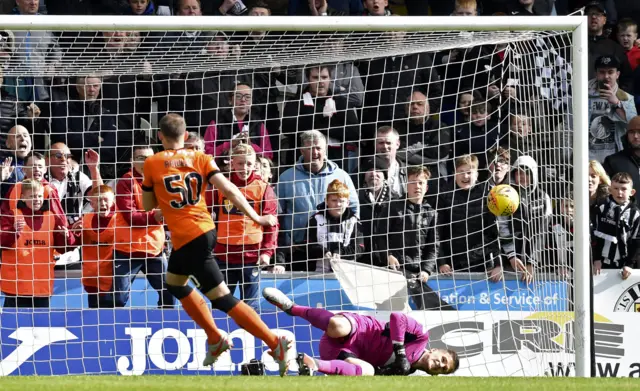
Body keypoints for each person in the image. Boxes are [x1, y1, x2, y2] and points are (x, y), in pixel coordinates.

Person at [140, 113, 290, 374]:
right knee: (175, 284)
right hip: (206, 230)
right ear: (186, 136)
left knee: (222, 298)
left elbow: (148, 206)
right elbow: (230, 190)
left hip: (189, 237)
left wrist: (166, 202)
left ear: (159, 136)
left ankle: (272, 342)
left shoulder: (152, 162)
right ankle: (215, 337)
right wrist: (256, 216)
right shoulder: (201, 158)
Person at [262, 287, 459, 376]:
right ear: (435, 350)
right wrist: (400, 352)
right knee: (338, 326)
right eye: (443, 359)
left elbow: (377, 376)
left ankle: (312, 364)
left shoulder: (404, 373)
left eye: (443, 369)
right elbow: (397, 318)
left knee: (368, 372)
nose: (439, 365)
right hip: (358, 329)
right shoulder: (420, 337)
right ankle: (292, 308)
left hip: (343, 354)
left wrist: (387, 373)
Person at [209, 144, 280, 309]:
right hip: (223, 255)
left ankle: (250, 334)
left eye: (249, 164)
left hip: (251, 257)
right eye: (240, 163)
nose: (244, 168)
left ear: (255, 165)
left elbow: (272, 223)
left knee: (250, 307)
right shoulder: (221, 185)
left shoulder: (263, 188)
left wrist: (267, 252)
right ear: (232, 163)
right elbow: (205, 212)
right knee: (220, 304)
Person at [0, 179, 74, 308]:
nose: (37, 199)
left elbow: (63, 248)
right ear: (23, 197)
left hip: (41, 285)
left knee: (41, 326)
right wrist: (13, 231)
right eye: (32, 196)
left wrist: (66, 237)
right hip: (16, 286)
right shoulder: (11, 215)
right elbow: (2, 243)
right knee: (14, 325)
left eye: (39, 196)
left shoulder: (51, 217)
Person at [304, 179, 364, 272]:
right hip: (318, 273)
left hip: (346, 273)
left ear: (347, 203)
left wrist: (340, 252)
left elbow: (360, 248)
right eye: (334, 200)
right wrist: (322, 251)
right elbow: (307, 245)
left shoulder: (354, 221)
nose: (338, 204)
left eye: (342, 201)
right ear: (326, 201)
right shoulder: (315, 219)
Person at [591, 172, 640, 280]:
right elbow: (594, 236)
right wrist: (596, 259)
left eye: (624, 189)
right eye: (616, 188)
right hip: (601, 263)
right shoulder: (601, 208)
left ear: (632, 192)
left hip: (625, 264)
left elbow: (636, 241)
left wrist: (630, 264)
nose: (619, 192)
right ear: (610, 189)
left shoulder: (636, 214)